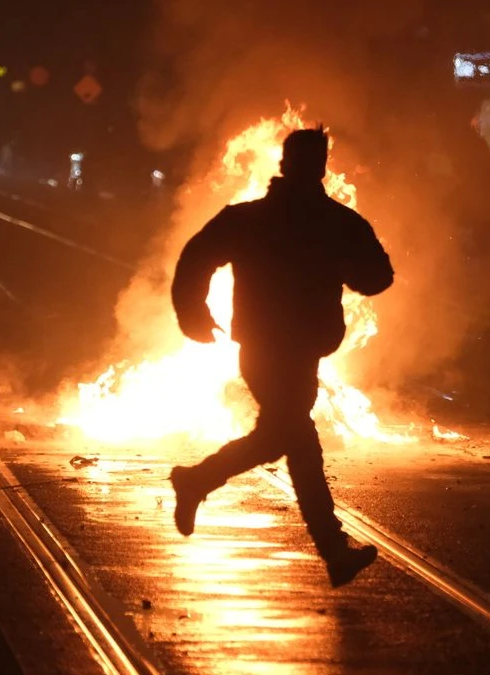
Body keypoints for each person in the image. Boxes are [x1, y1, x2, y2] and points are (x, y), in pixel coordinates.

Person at [168, 127, 394, 588]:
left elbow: (196, 257)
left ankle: (196, 480)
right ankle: (333, 550)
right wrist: (346, 268)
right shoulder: (336, 222)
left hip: (273, 348)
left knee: (280, 437)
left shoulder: (253, 218)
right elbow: (377, 277)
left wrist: (194, 313)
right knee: (299, 440)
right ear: (318, 167)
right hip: (285, 349)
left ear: (285, 165)